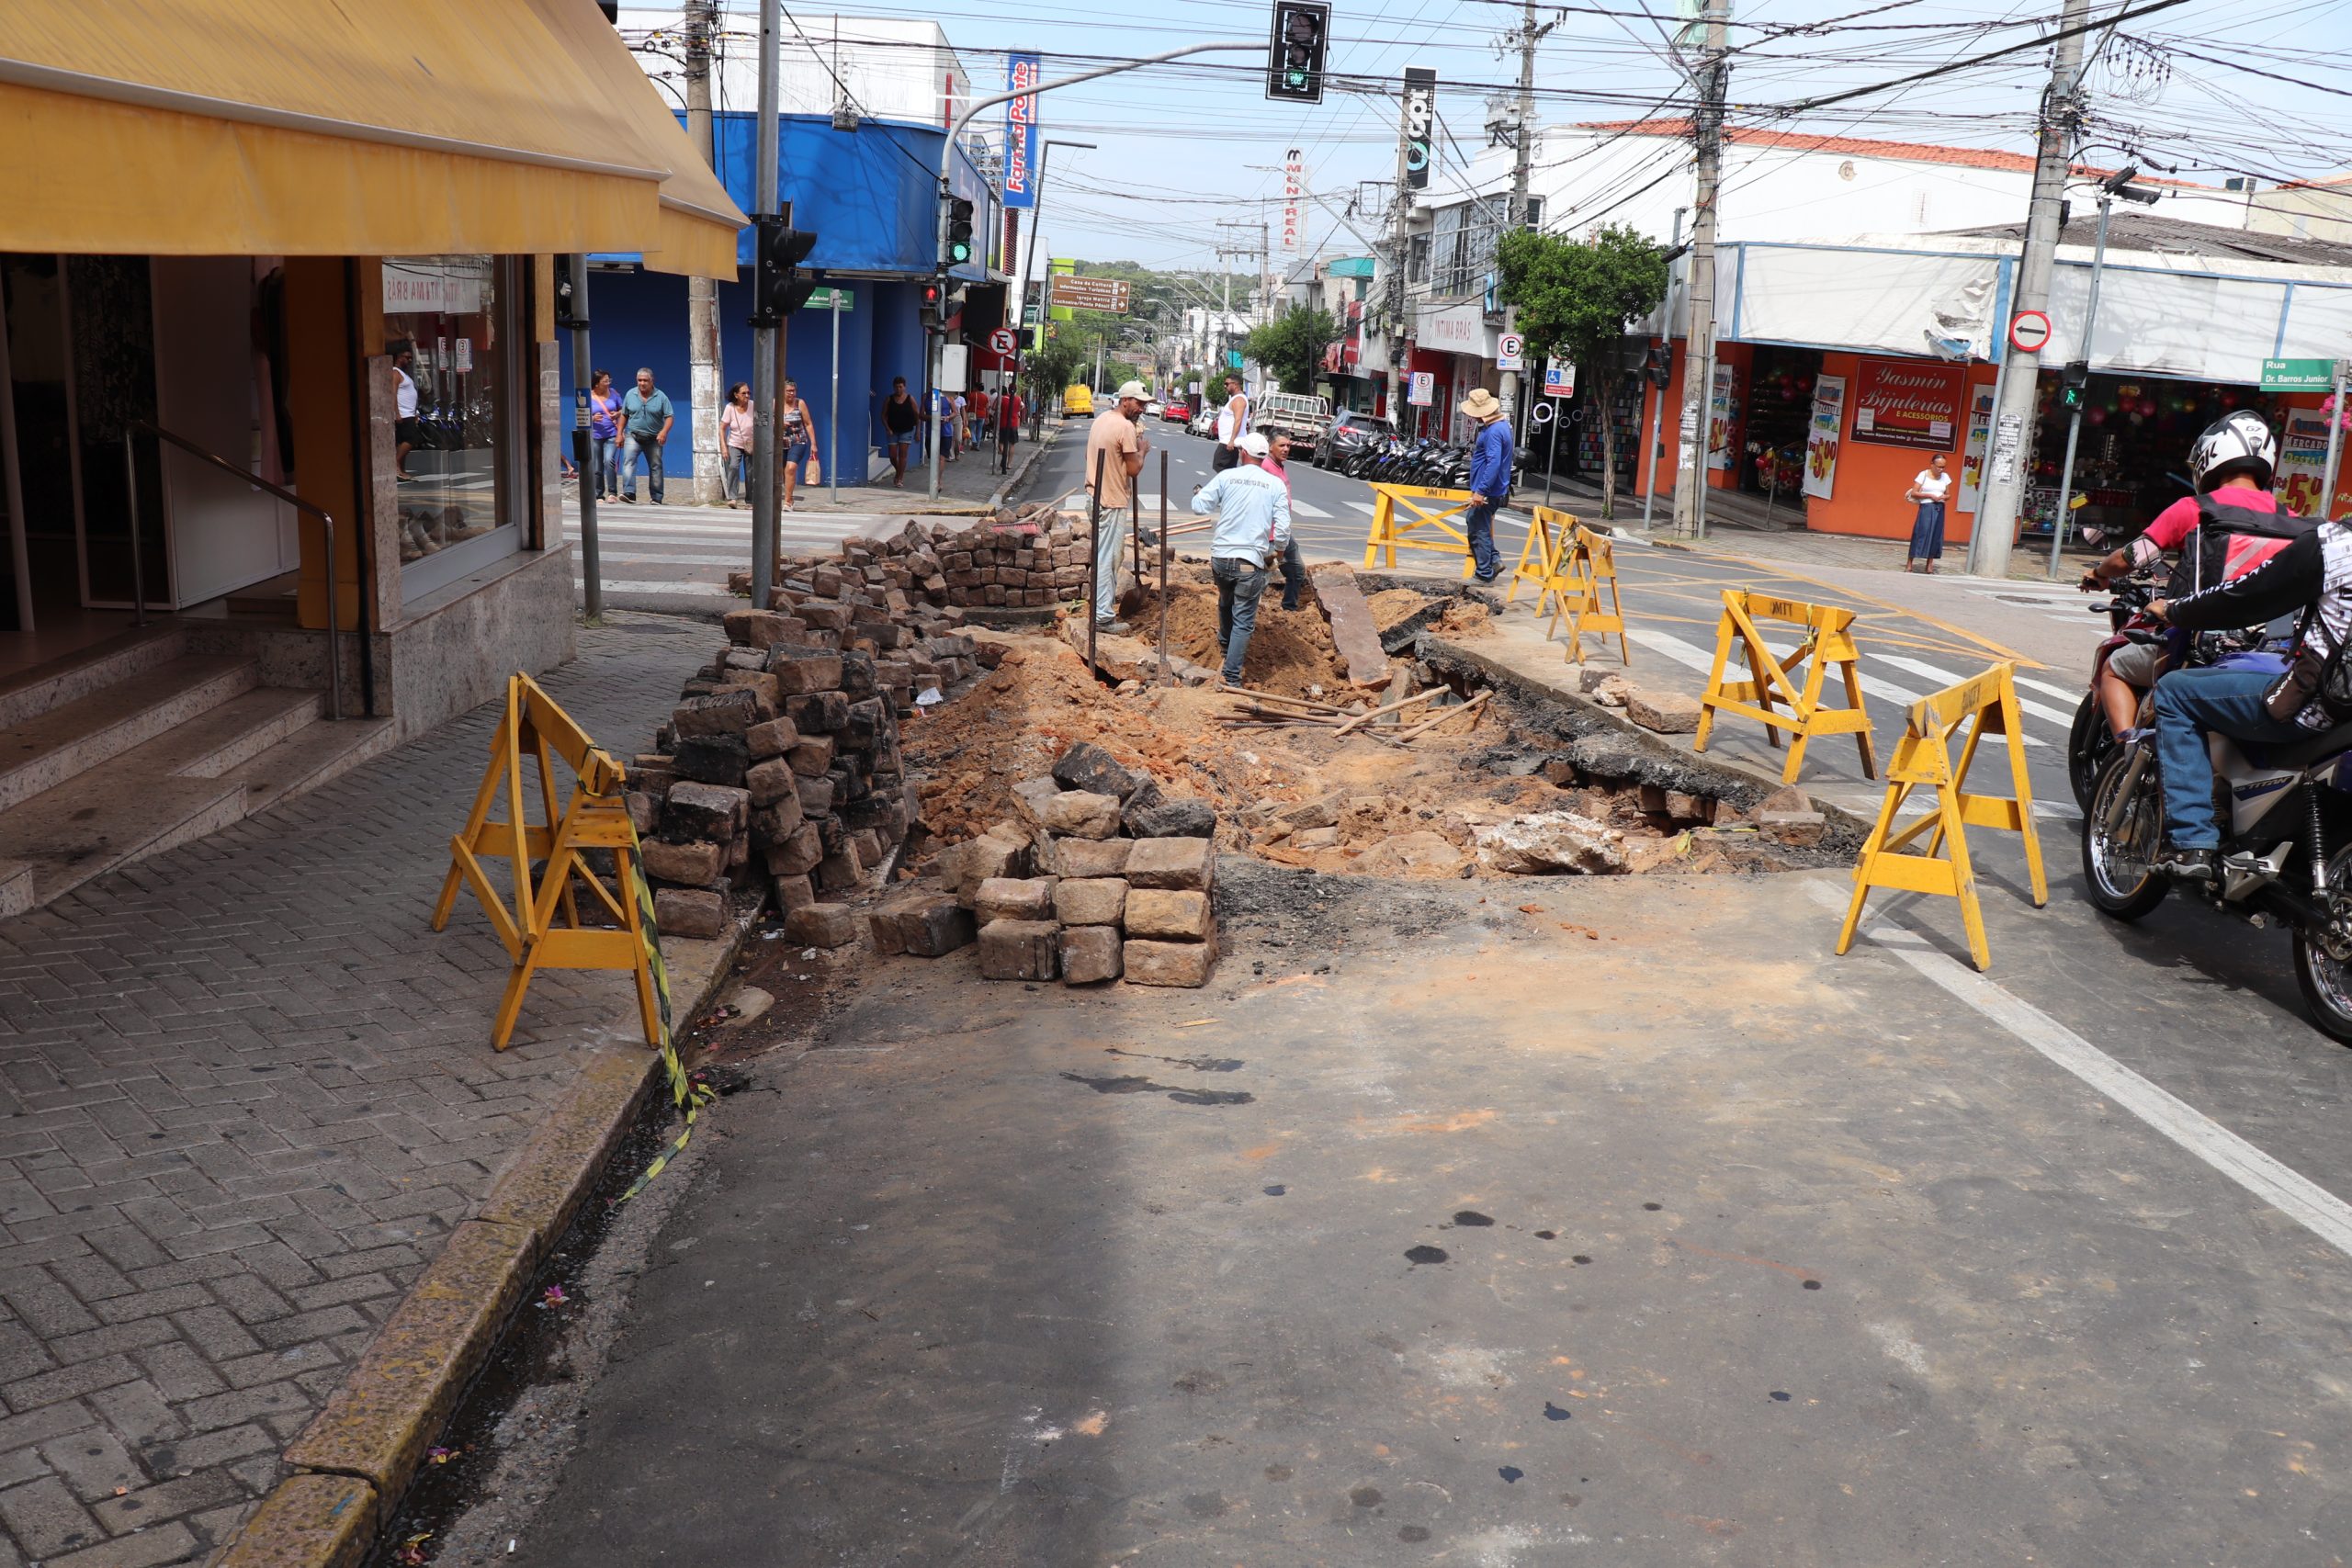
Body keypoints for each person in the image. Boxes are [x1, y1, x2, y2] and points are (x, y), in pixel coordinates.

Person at [2080, 410, 2306, 738]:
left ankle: (2127, 752)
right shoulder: (2292, 519)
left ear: (2210, 456)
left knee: (2114, 668)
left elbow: (2133, 556)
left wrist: (2100, 572)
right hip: (2270, 646)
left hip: (2196, 641)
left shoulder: (2195, 508)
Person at [1190, 432, 1292, 686]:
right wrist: (1278, 552)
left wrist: (1198, 492)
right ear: (1265, 455)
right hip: (1249, 562)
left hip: (1221, 559)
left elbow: (1199, 507)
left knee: (1226, 600)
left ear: (1242, 452)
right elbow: (1282, 530)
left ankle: (1225, 646)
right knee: (1244, 620)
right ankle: (1232, 677)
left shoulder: (1227, 477)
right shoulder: (1275, 485)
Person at [1085, 380, 1150, 634]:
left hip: (1094, 494)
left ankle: (1099, 609)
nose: (1142, 408)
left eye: (1144, 404)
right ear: (1125, 401)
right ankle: (1102, 616)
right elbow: (1133, 469)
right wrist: (1143, 451)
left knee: (1104, 555)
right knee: (1108, 559)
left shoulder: (1102, 419)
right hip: (1111, 500)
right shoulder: (1125, 427)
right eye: (1139, 403)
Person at [1459, 388, 1515, 583]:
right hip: (1492, 488)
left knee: (1477, 527)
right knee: (1477, 523)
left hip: (1489, 489)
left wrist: (1480, 491)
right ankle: (1494, 560)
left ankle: (1484, 573)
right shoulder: (1501, 427)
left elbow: (1494, 462)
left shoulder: (1493, 431)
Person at [1261, 430, 1311, 613]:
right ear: (1270, 447)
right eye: (1282, 445)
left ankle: (1289, 608)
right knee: (1263, 575)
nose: (1286, 449)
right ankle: (1251, 613)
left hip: (1282, 532)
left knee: (1297, 570)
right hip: (1270, 535)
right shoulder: (1265, 467)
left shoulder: (1279, 465)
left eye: (1288, 445)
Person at [619, 367, 673, 505]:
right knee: (628, 462)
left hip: (654, 438)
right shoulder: (630, 394)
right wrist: (619, 433)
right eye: (639, 380)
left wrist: (663, 432)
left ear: (652, 381)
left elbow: (669, 416)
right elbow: (624, 415)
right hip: (633, 435)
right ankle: (629, 493)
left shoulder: (661, 396)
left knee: (656, 466)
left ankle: (656, 497)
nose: (642, 383)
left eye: (645, 380)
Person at [1905, 453, 1954, 572]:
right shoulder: (1924, 475)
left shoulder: (1945, 477)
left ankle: (1929, 564)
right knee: (1920, 533)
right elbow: (1914, 493)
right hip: (1926, 507)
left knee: (1936, 536)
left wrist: (1943, 497)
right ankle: (1910, 562)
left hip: (1939, 507)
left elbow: (1949, 495)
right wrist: (1930, 495)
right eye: (1938, 466)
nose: (1940, 469)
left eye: (1943, 467)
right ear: (1932, 465)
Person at [779, 379, 820, 512]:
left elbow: (808, 424)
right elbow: (769, 422)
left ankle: (788, 501)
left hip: (798, 441)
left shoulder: (800, 403)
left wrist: (813, 443)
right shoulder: (776, 403)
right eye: (788, 391)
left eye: (793, 391)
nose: (791, 393)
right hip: (780, 442)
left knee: (791, 468)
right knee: (782, 471)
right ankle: (789, 495)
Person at [719, 381, 756, 508]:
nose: (747, 395)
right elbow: (722, 428)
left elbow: (763, 422)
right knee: (733, 466)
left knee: (750, 472)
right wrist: (724, 447)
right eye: (743, 393)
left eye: (748, 393)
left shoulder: (754, 406)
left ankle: (750, 500)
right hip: (734, 443)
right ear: (736, 395)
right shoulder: (730, 408)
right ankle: (732, 497)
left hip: (751, 445)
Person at [588, 369, 623, 501]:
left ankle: (612, 493)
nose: (608, 383)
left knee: (609, 461)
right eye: (605, 381)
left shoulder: (614, 393)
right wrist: (591, 418)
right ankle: (598, 494)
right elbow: (580, 415)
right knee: (597, 466)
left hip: (612, 433)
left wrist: (618, 414)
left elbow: (623, 409)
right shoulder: (588, 396)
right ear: (597, 383)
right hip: (595, 435)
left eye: (609, 380)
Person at [391, 344, 420, 483]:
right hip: (403, 414)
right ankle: (395, 466)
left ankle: (402, 471)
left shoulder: (403, 374)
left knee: (403, 442)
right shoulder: (395, 372)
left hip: (409, 414)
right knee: (411, 439)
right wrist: (396, 413)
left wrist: (415, 413)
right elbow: (393, 393)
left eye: (410, 358)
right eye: (407, 358)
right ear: (399, 357)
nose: (409, 360)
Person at [883, 378, 919, 487]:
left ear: (904, 387)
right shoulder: (889, 399)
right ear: (893, 387)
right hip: (893, 431)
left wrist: (918, 431)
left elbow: (917, 415)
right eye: (896, 387)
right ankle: (899, 471)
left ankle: (899, 479)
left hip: (906, 430)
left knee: (902, 455)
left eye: (901, 387)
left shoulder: (910, 398)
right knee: (892, 456)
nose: (898, 389)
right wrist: (887, 428)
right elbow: (883, 415)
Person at [1214, 373, 1250, 472]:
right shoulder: (1235, 399)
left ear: (1235, 384)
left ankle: (1227, 487)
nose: (1225, 386)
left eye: (1227, 384)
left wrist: (1232, 440)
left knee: (1220, 465)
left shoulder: (1239, 400)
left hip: (1231, 442)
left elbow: (1238, 421)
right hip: (1227, 441)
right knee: (1223, 467)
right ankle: (1227, 486)